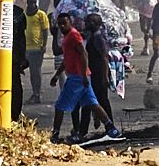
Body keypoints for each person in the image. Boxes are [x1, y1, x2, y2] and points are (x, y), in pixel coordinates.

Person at [51, 13, 102, 143]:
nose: (62, 26)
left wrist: (84, 74)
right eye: (60, 24)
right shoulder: (70, 37)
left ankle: (60, 134)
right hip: (78, 74)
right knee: (89, 104)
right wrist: (57, 75)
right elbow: (65, 58)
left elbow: (86, 54)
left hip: (80, 76)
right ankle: (85, 129)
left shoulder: (76, 35)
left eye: (64, 23)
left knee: (65, 106)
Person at [83, 12, 120, 143]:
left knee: (100, 100)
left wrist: (105, 76)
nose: (87, 24)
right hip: (94, 74)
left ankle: (110, 128)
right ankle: (106, 127)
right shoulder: (93, 37)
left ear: (97, 24)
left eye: (89, 22)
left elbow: (104, 58)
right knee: (95, 101)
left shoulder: (98, 38)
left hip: (99, 74)